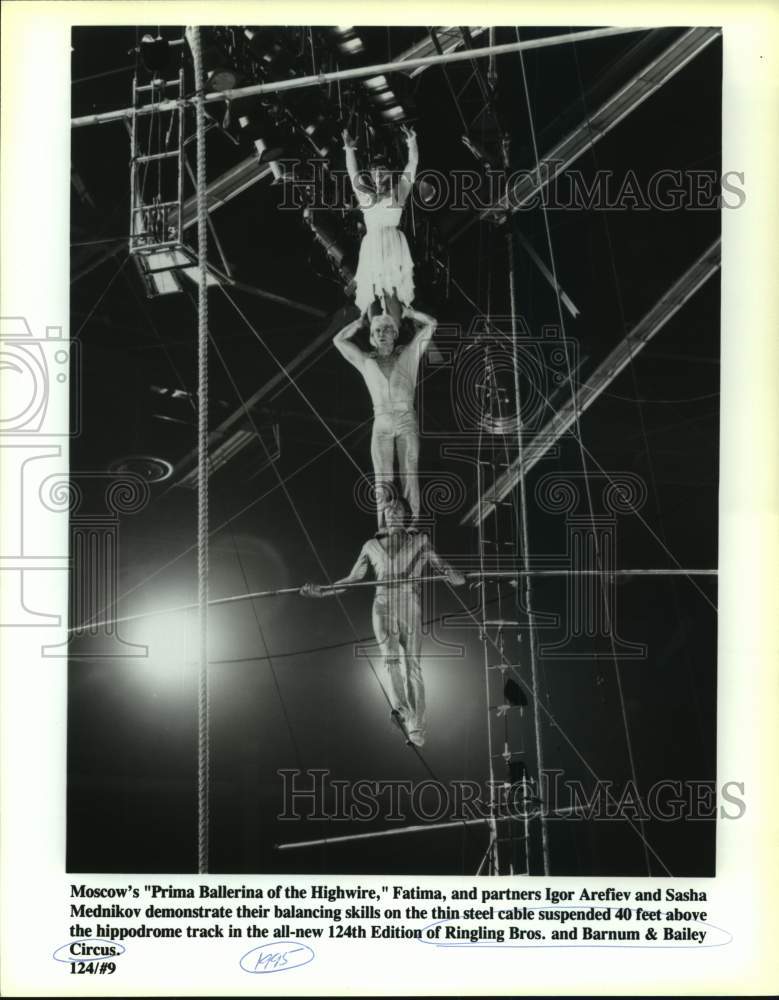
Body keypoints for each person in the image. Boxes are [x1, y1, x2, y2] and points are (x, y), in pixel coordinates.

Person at [300, 498, 465, 747]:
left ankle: (417, 727)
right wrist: (322, 591)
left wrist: (455, 575)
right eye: (388, 510)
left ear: (406, 515)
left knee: (412, 665)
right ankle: (401, 710)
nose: (392, 513)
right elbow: (352, 579)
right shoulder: (371, 546)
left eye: (397, 510)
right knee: (389, 658)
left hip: (409, 603)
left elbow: (445, 569)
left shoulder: (420, 541)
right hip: (382, 604)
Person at [333, 305, 437, 529]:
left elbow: (431, 324)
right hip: (381, 422)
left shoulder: (409, 355)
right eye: (377, 331)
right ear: (371, 337)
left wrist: (410, 314)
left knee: (409, 470)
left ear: (395, 334)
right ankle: (383, 527)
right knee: (383, 476)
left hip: (406, 418)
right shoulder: (366, 361)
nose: (382, 334)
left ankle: (414, 524)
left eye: (387, 329)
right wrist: (357, 324)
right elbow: (338, 342)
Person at [342, 126, 418, 325]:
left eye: (382, 171)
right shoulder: (366, 196)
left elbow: (412, 165)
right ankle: (376, 336)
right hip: (372, 244)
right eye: (374, 171)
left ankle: (394, 331)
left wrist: (412, 143)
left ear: (389, 173)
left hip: (392, 243)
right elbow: (352, 173)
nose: (378, 175)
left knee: (391, 289)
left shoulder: (398, 192)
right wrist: (349, 150)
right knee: (371, 290)